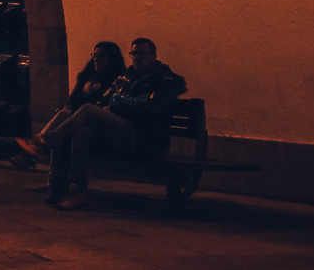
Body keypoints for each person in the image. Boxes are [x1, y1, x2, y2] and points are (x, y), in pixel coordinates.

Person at [41, 35, 185, 209]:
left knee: (87, 110)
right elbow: (107, 100)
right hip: (118, 131)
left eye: (142, 53)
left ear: (154, 56)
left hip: (143, 135)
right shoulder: (128, 77)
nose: (137, 57)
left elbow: (150, 107)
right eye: (134, 53)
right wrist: (117, 98)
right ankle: (65, 189)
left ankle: (53, 138)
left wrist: (120, 101)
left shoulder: (165, 79)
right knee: (79, 130)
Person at [12, 40, 124, 169]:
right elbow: (72, 101)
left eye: (101, 56)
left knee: (72, 116)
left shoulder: (116, 79)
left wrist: (95, 93)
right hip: (77, 116)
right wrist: (86, 92)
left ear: (111, 59)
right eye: (94, 55)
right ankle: (36, 148)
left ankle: (41, 145)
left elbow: (103, 105)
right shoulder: (87, 77)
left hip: (96, 120)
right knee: (64, 112)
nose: (96, 59)